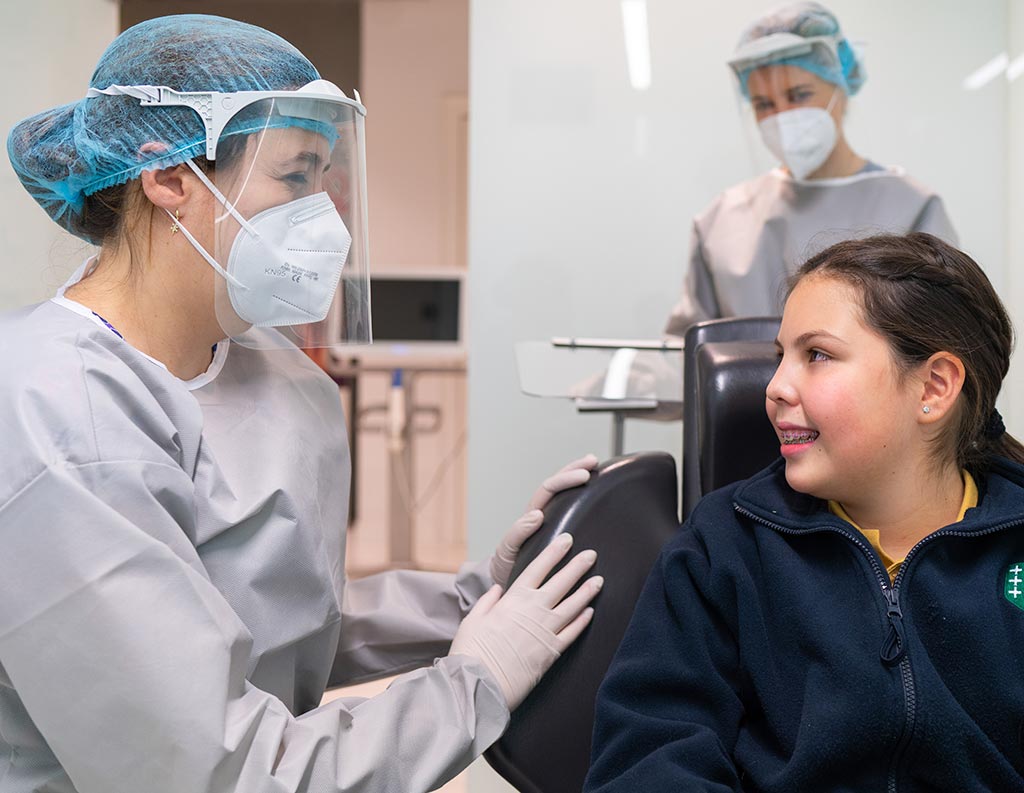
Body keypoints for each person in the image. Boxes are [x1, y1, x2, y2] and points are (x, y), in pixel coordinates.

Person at [1, 14, 605, 793]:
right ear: (170, 177)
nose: (325, 218)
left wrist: (476, 596)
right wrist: (471, 685)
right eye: (295, 176)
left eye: (325, 178)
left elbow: (274, 626)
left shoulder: (278, 376)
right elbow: (220, 771)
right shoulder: (55, 420)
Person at [586, 232, 1024, 791]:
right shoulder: (725, 546)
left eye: (816, 355)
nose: (775, 387)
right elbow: (650, 755)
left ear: (933, 387)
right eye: (780, 357)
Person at [664, 2, 957, 338]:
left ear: (842, 87)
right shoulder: (722, 218)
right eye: (764, 104)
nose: (782, 116)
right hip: (744, 393)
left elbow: (944, 345)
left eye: (799, 95)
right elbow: (686, 350)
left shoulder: (913, 208)